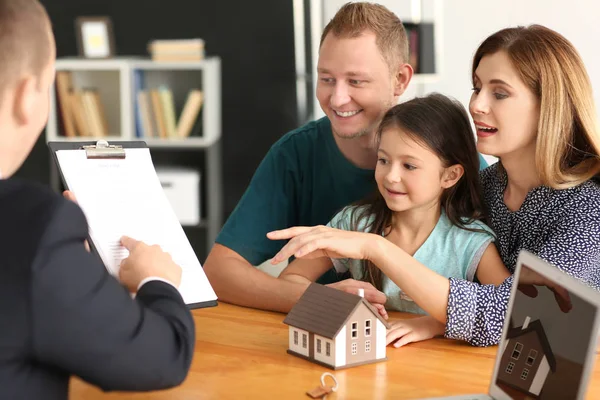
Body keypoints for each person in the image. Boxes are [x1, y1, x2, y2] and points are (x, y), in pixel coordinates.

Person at [267, 24, 600, 347]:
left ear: (549, 107)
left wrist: (376, 248)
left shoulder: (587, 209)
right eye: (477, 87)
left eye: (499, 93)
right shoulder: (483, 186)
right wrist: (435, 322)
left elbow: (522, 317)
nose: (477, 105)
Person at [203, 2, 489, 313]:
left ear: (400, 80)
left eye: (356, 81)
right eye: (326, 78)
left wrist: (436, 321)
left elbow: (503, 300)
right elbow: (219, 272)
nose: (337, 98)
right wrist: (322, 301)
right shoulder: (295, 155)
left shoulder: (456, 160)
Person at [0, 1, 195, 399]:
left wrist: (70, 268)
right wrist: (157, 280)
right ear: (27, 95)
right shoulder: (33, 229)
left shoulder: (41, 235)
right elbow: (164, 357)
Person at [275, 93, 509, 346]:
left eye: (409, 166)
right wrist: (329, 298)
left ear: (450, 176)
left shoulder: (470, 241)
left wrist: (435, 324)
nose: (391, 177)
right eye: (384, 160)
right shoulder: (355, 223)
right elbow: (290, 279)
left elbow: (511, 312)